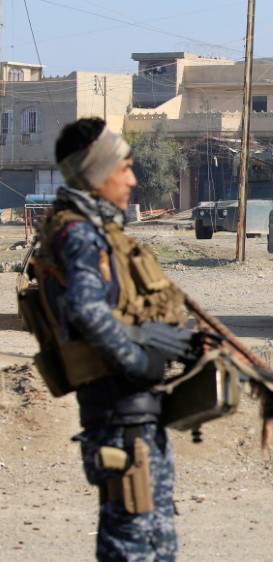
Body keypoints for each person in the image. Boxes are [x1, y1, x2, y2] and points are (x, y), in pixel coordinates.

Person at [36, 117, 183, 561]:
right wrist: (140, 361)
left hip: (131, 419)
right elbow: (86, 309)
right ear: (98, 174)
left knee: (151, 543)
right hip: (119, 422)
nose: (133, 179)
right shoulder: (80, 233)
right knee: (132, 546)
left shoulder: (96, 230)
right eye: (125, 169)